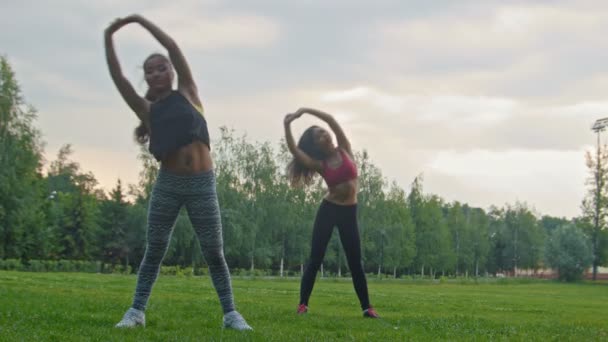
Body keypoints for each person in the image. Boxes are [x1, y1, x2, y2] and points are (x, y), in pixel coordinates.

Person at [104, 14, 252, 330]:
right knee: (155, 248)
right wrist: (109, 36)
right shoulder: (147, 110)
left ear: (172, 71)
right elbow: (118, 78)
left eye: (162, 67)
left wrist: (138, 20)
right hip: (168, 185)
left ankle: (231, 314)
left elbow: (171, 46)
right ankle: (136, 312)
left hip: (202, 184)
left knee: (214, 250)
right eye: (150, 70)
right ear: (146, 79)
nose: (157, 72)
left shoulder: (189, 92)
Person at [283, 107, 379, 318]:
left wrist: (305, 111)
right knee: (315, 258)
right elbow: (295, 152)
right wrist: (287, 124)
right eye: (318, 135)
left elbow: (331, 120)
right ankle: (303, 305)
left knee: (355, 262)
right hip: (329, 210)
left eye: (323, 131)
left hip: (349, 212)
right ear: (315, 145)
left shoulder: (344, 148)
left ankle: (367, 308)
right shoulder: (320, 164)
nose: (324, 134)